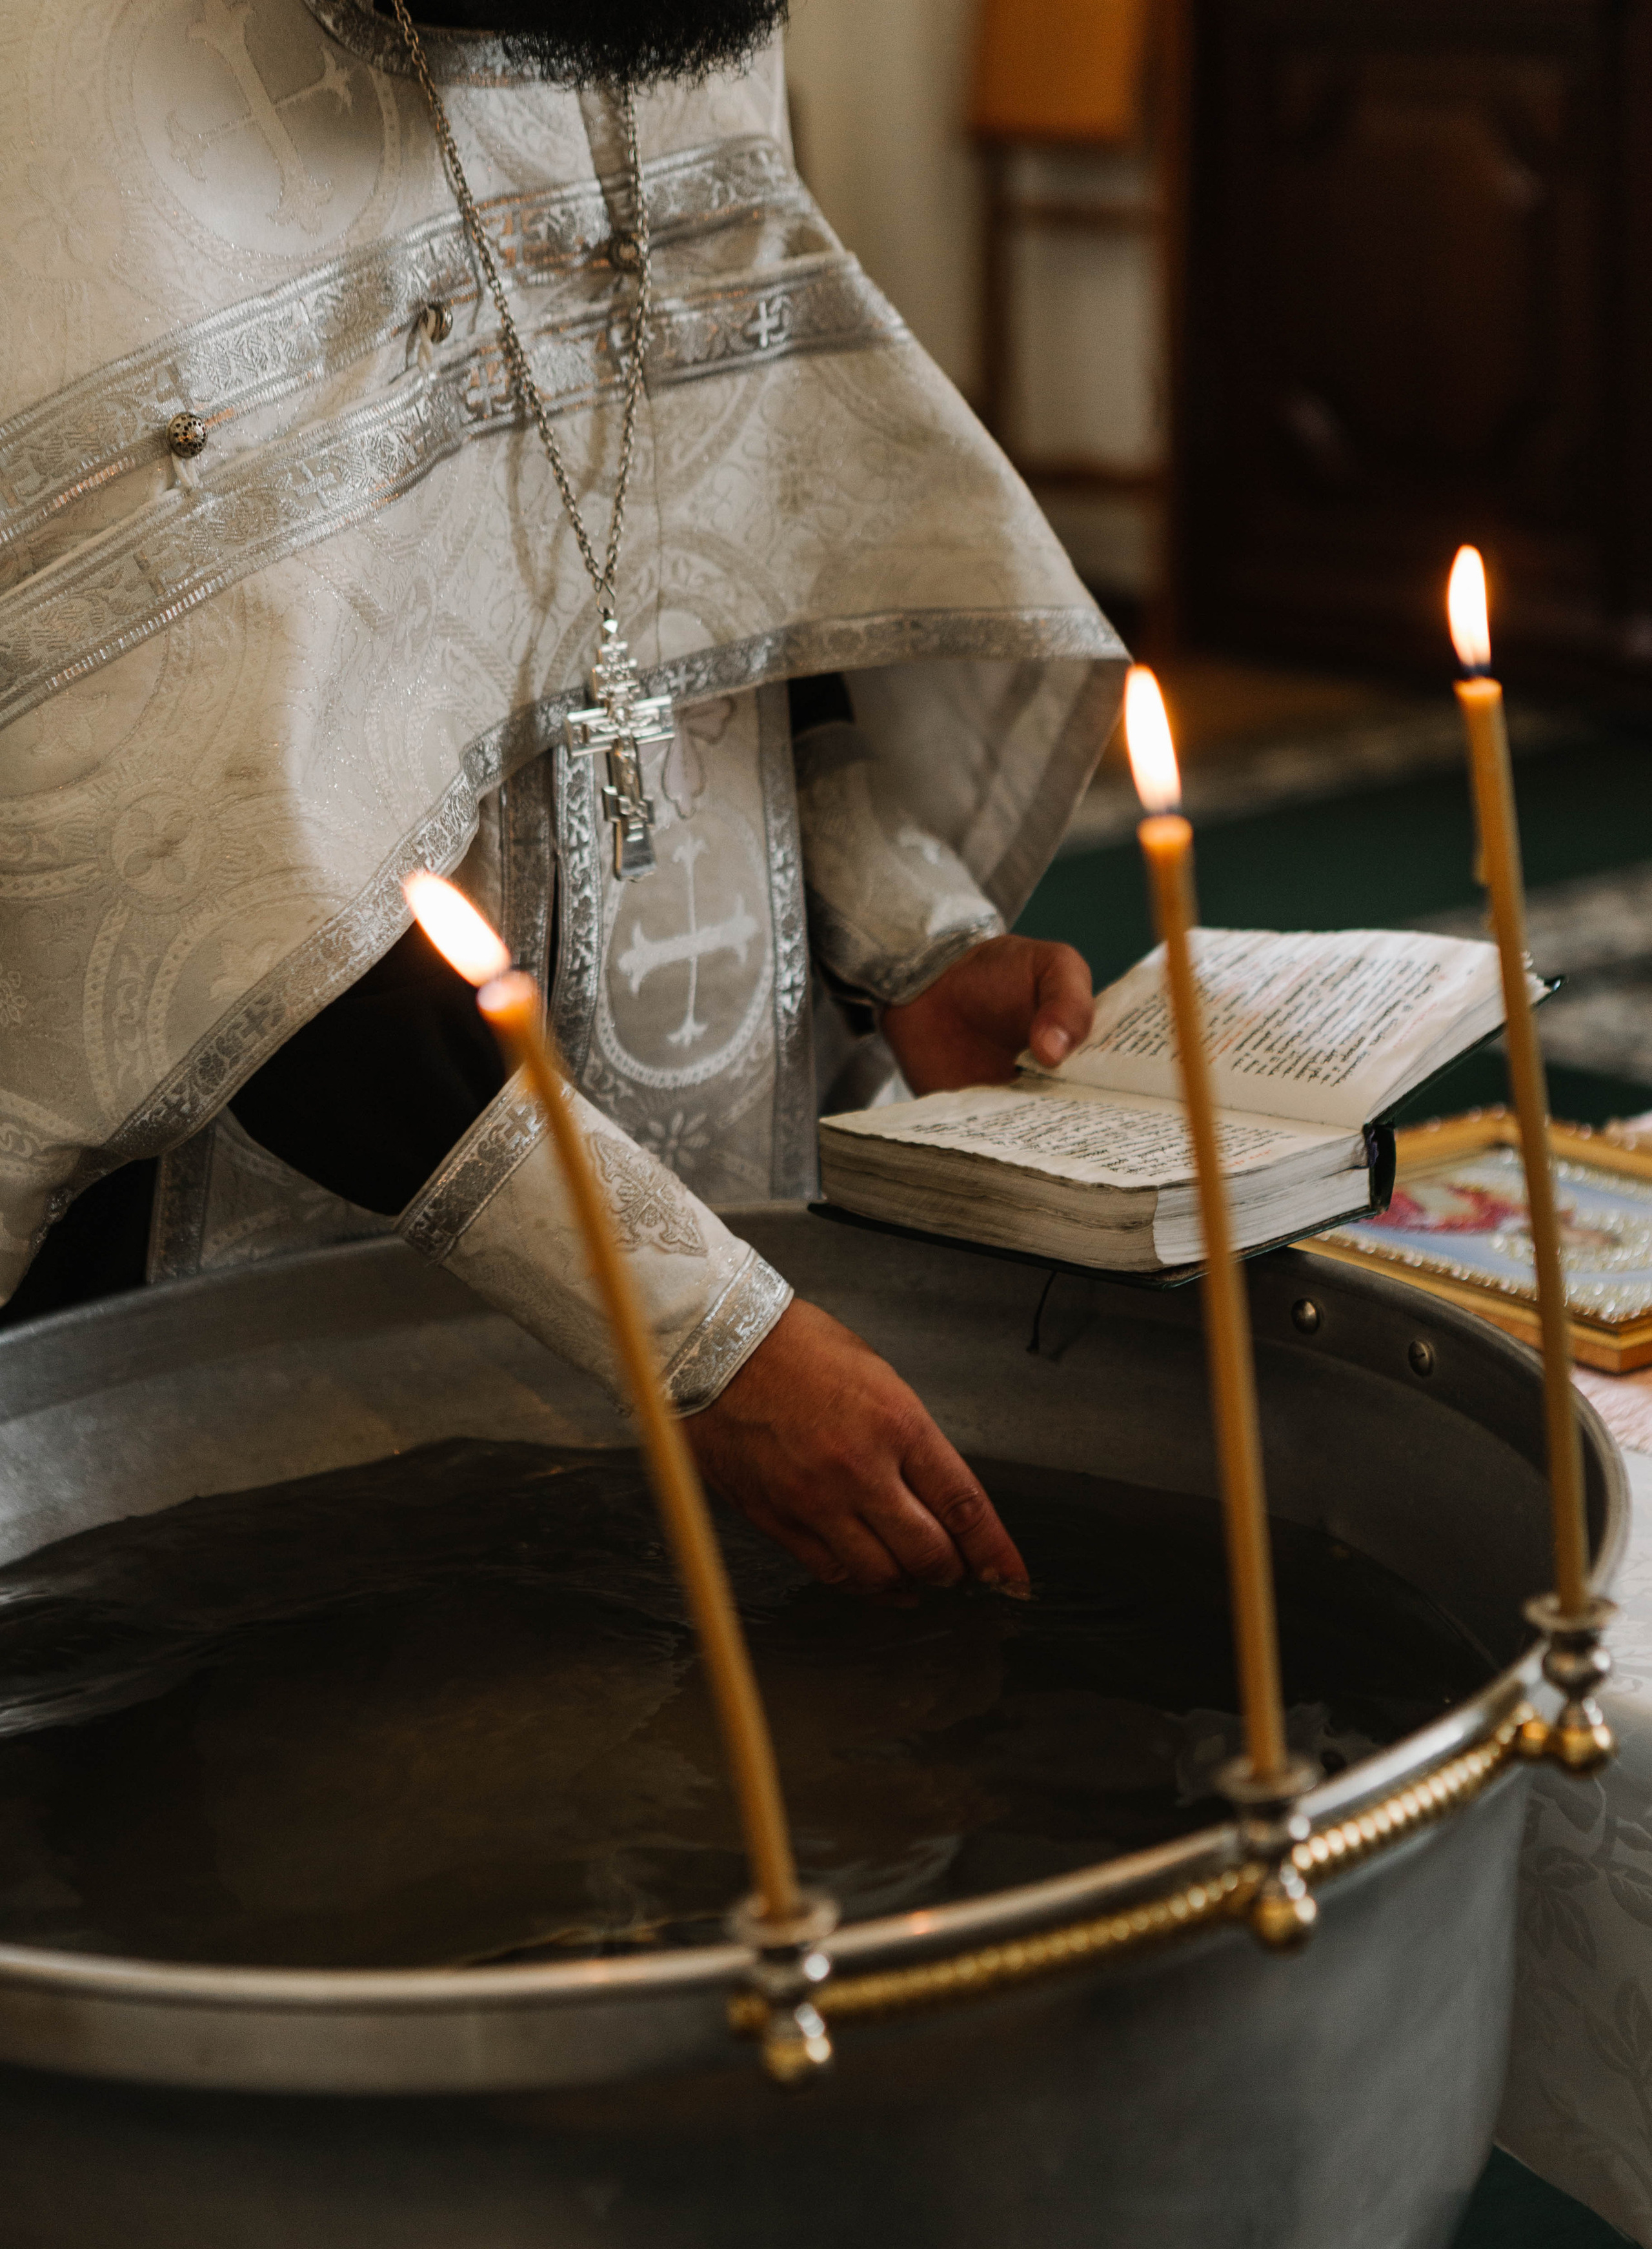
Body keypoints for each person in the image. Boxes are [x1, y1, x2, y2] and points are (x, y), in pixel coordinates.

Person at [0, 0, 1125, 1591]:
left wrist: (905, 932)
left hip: (728, 1172)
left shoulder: (659, 19)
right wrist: (698, 1333)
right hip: (252, 1246)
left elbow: (728, 497)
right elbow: (184, 862)